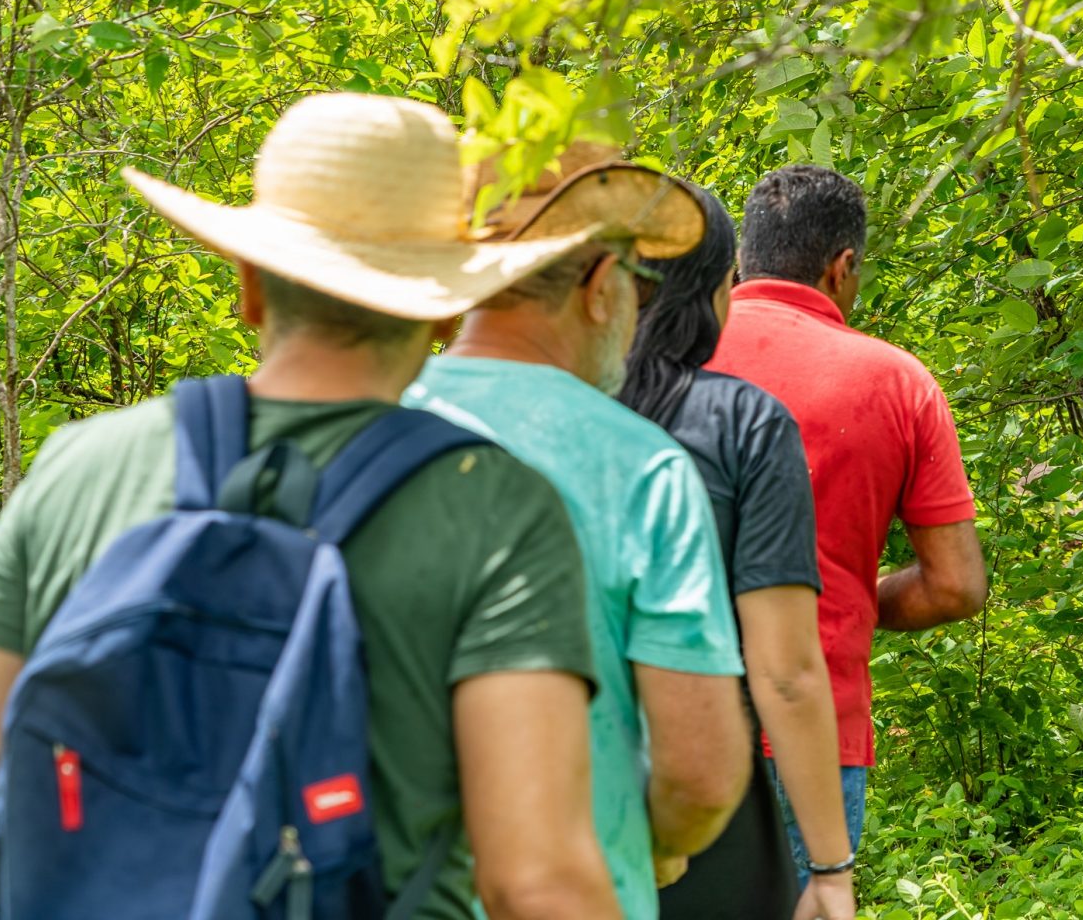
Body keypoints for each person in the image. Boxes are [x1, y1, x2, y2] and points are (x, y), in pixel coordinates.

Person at [0, 94, 620, 920]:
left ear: (248, 287)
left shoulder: (81, 467)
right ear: (445, 306)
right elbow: (537, 883)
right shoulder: (496, 507)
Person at [406, 146, 753, 920]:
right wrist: (654, 839)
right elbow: (699, 774)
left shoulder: (373, 431)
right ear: (601, 289)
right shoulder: (641, 470)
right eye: (636, 281)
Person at [708, 164, 988, 878]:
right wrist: (855, 596)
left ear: (743, 259)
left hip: (660, 714)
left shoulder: (662, 355)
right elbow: (956, 585)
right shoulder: (896, 381)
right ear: (843, 266)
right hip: (816, 729)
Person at [618, 187, 857, 920]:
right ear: (713, 292)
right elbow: (784, 670)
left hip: (547, 785)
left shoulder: (554, 412)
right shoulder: (742, 422)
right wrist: (829, 865)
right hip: (707, 791)